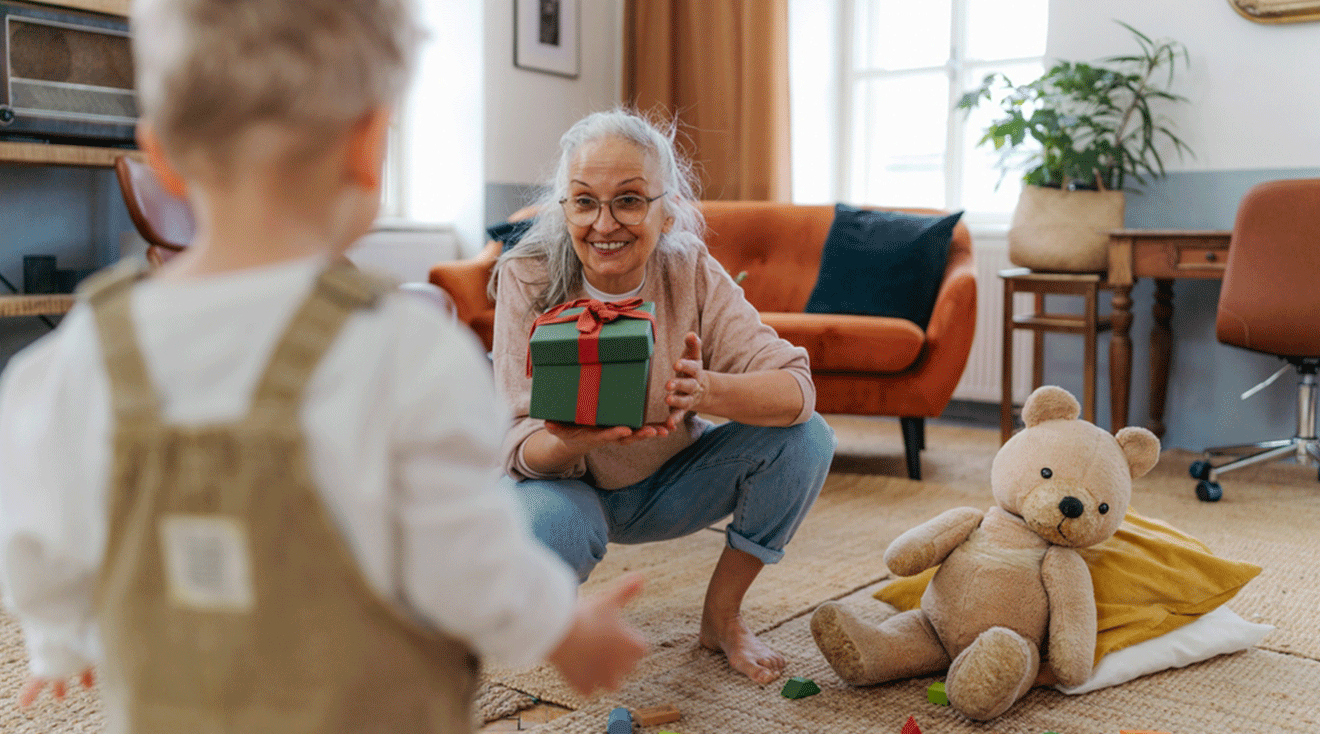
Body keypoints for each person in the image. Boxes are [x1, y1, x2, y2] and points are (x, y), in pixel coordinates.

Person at [0, 0, 645, 730]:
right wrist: (561, 627)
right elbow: (466, 556)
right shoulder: (408, 354)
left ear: (163, 156)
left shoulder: (71, 359)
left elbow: (33, 535)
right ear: (369, 145)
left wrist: (59, 636)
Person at [490, 108, 837, 685]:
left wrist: (708, 388)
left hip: (672, 482)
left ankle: (721, 618)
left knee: (808, 440)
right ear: (564, 208)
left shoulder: (690, 269)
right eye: (583, 201)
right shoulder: (527, 275)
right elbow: (514, 443)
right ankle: (560, 625)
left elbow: (797, 391)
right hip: (563, 488)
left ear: (667, 208)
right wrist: (562, 442)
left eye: (628, 200)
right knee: (545, 533)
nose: (604, 224)